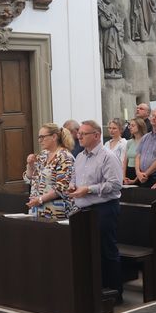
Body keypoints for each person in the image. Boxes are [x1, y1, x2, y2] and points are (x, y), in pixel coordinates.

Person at [67, 121, 125, 302]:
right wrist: (72, 187)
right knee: (88, 251)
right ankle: (96, 288)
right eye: (79, 134)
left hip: (104, 209)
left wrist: (88, 189)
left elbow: (115, 184)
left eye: (84, 134)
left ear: (97, 135)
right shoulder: (80, 157)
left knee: (106, 250)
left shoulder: (108, 156)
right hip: (83, 210)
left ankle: (115, 292)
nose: (79, 136)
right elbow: (75, 178)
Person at [24, 123, 75, 220]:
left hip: (55, 211)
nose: (40, 140)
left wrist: (40, 200)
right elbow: (30, 179)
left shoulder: (64, 157)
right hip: (36, 210)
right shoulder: (43, 155)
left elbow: (61, 188)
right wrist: (30, 165)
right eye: (39, 137)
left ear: (54, 137)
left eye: (42, 137)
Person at [123, 116, 147, 184]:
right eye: (129, 125)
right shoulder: (129, 142)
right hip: (129, 171)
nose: (130, 127)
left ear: (140, 127)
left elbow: (144, 163)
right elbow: (125, 161)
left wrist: (135, 180)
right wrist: (123, 176)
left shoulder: (145, 141)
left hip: (140, 173)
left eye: (133, 125)